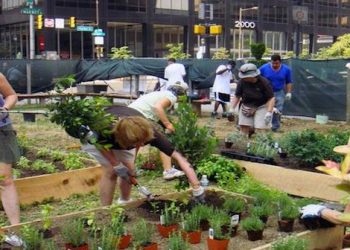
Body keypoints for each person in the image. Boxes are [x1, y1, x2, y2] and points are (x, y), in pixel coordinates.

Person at [82, 114, 204, 206]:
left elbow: (180, 157)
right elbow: (96, 142)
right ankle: (105, 211)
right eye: (137, 142)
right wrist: (116, 164)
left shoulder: (149, 133)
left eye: (144, 142)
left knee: (129, 169)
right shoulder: (105, 131)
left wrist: (196, 187)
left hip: (123, 139)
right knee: (111, 171)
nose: (141, 144)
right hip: (95, 140)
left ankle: (124, 202)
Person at [128, 83, 187, 180]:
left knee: (137, 142)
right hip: (141, 116)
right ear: (181, 94)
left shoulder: (160, 93)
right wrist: (168, 124)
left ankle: (130, 169)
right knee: (162, 139)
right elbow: (158, 107)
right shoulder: (171, 96)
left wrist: (164, 123)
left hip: (129, 114)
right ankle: (168, 171)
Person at [0, 73, 23, 246]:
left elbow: (11, 95)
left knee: (4, 180)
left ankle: (16, 232)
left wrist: (4, 109)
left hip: (1, 130)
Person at [231, 63, 275, 136]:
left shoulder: (264, 82)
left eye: (246, 77)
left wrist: (269, 112)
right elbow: (237, 96)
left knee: (261, 129)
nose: (243, 78)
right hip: (246, 105)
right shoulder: (242, 82)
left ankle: (262, 144)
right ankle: (243, 144)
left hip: (261, 106)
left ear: (253, 75)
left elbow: (271, 98)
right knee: (243, 127)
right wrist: (232, 108)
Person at [259, 54, 293, 132]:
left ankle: (275, 127)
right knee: (265, 108)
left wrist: (289, 92)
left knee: (278, 110)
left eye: (276, 63)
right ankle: (263, 125)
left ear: (280, 62)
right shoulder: (264, 68)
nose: (274, 65)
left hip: (279, 92)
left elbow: (289, 82)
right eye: (273, 63)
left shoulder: (286, 70)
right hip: (266, 92)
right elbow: (257, 78)